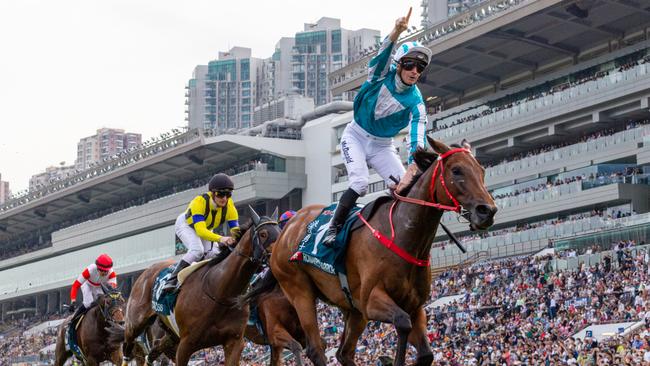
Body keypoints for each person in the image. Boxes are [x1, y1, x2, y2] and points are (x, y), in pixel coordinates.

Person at [323, 8, 432, 246]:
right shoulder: (381, 75)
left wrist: (416, 162)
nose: (415, 71)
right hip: (356, 137)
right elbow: (382, 54)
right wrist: (396, 31)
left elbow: (417, 136)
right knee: (360, 183)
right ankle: (334, 227)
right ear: (399, 65)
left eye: (420, 68)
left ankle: (395, 235)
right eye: (410, 65)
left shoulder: (417, 103)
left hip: (382, 146)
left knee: (407, 187)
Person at [162, 173, 241, 292]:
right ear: (213, 193)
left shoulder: (230, 207)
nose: (224, 198)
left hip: (206, 228)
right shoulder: (199, 202)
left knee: (213, 254)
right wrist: (222, 239)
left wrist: (236, 239)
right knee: (197, 250)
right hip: (186, 225)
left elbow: (236, 231)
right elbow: (200, 231)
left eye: (228, 194)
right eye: (220, 194)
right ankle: (171, 280)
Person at [68, 253, 117, 321]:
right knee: (88, 304)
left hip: (100, 287)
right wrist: (73, 301)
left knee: (103, 302)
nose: (105, 273)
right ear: (97, 268)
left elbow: (112, 291)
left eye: (106, 271)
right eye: (103, 270)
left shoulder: (112, 274)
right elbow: (75, 285)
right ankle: (72, 322)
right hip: (87, 285)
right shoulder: (89, 270)